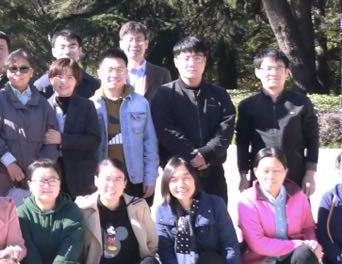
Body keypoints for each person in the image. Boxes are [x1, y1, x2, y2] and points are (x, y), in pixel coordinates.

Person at [238, 148, 324, 264]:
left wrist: (312, 243)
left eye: (277, 170)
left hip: (289, 261)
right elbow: (257, 244)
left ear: (286, 171)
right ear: (255, 171)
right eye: (266, 170)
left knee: (306, 253)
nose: (271, 175)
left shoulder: (298, 195)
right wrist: (299, 243)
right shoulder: (247, 200)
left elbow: (308, 227)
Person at [154, 157, 240, 264]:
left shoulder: (215, 204)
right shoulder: (162, 210)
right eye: (174, 179)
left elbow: (230, 246)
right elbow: (164, 249)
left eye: (186, 177)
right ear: (166, 184)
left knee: (210, 260)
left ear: (195, 178)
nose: (181, 184)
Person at [150, 36, 236, 200]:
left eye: (197, 58)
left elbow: (226, 127)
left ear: (205, 61)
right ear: (176, 61)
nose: (192, 63)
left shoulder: (219, 94)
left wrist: (207, 153)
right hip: (177, 172)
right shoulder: (164, 94)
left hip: (213, 169)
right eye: (186, 58)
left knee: (216, 212)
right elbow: (165, 129)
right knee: (179, 215)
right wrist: (190, 155)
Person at [15, 158, 88, 264]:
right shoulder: (21, 213)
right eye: (41, 181)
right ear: (30, 184)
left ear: (60, 183)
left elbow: (72, 243)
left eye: (52, 180)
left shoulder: (71, 210)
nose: (47, 186)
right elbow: (28, 250)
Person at [236, 47, 319, 196]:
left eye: (279, 68)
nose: (273, 73)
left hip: (295, 174)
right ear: (257, 72)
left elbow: (312, 139)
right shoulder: (247, 106)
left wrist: (310, 174)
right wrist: (243, 174)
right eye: (268, 68)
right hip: (262, 176)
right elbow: (242, 143)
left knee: (297, 211)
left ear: (287, 72)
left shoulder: (301, 103)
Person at [0, 47, 60, 195]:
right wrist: (9, 162)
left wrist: (40, 170)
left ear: (31, 72)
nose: (18, 73)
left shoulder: (43, 104)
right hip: (4, 173)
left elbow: (51, 141)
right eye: (13, 69)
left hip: (37, 178)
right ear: (7, 72)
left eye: (24, 69)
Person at [91, 48, 158, 199]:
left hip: (134, 177)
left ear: (126, 73)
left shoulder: (140, 103)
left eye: (120, 69)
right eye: (109, 70)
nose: (114, 74)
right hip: (104, 179)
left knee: (137, 214)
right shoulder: (91, 105)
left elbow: (150, 143)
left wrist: (150, 177)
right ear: (99, 73)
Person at [45, 57, 102, 197]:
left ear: (76, 80)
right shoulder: (43, 106)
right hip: (50, 173)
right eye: (59, 76)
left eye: (69, 77)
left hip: (80, 174)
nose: (64, 81)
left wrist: (62, 139)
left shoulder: (86, 106)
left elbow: (94, 140)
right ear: (51, 79)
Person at [34, 29, 99, 97]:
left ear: (80, 50)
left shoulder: (92, 84)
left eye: (72, 47)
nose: (67, 51)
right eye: (62, 47)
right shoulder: (40, 86)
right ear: (54, 52)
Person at [118, 21, 171, 100]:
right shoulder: (112, 73)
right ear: (121, 44)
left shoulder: (162, 74)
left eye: (138, 40)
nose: (134, 44)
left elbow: (168, 103)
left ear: (146, 44)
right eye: (130, 40)